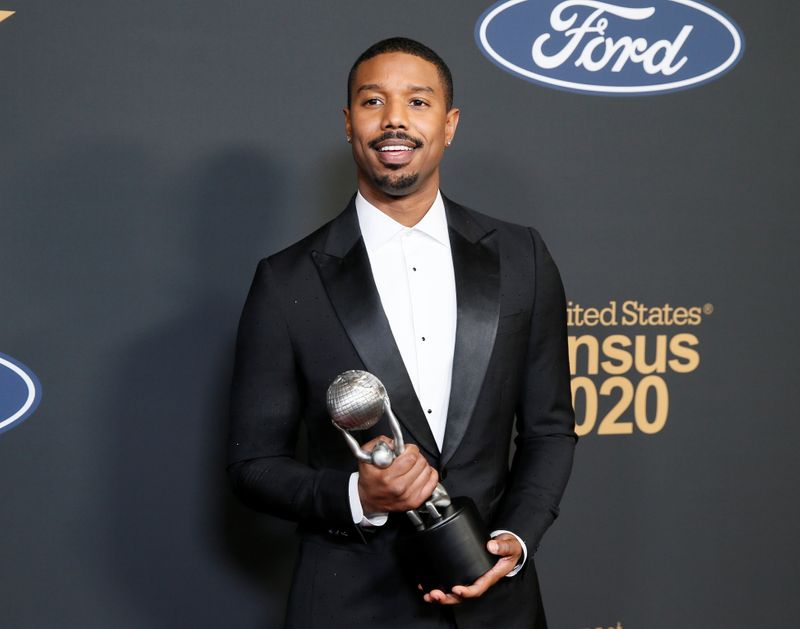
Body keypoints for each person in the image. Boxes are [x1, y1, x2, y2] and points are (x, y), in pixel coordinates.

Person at [227, 37, 576, 629]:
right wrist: (359, 498)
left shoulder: (522, 257)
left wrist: (514, 542)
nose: (395, 120)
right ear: (348, 122)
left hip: (498, 601)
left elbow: (550, 430)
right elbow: (254, 464)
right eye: (372, 102)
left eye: (418, 102)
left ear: (450, 123)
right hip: (351, 604)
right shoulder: (287, 280)